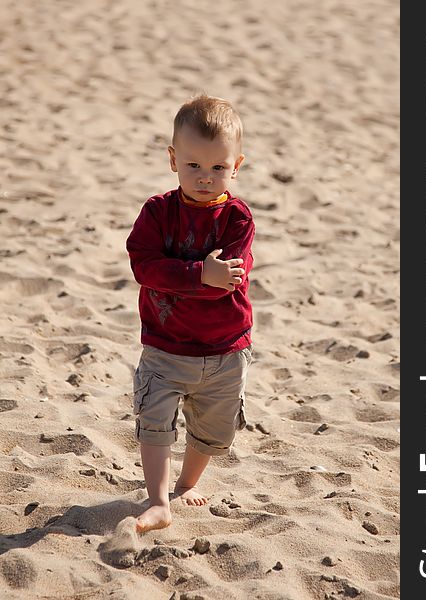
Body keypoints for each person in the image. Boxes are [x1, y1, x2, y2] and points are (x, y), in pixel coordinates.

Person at [126, 94, 255, 533]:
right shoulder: (158, 213)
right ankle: (158, 501)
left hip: (225, 348)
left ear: (236, 165)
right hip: (165, 343)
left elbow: (231, 280)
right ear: (173, 159)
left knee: (213, 431)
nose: (205, 176)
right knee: (154, 421)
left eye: (218, 167)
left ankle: (186, 483)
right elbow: (144, 266)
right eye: (193, 165)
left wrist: (202, 278)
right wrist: (202, 274)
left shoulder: (238, 219)